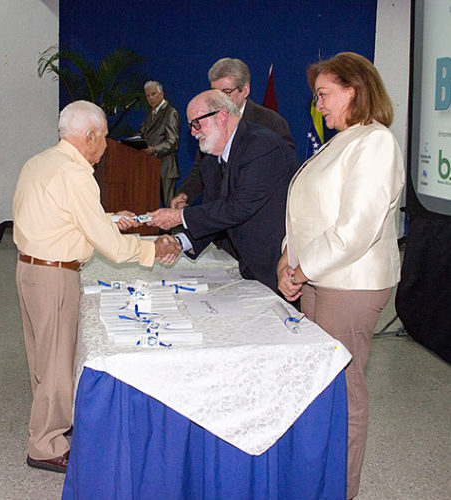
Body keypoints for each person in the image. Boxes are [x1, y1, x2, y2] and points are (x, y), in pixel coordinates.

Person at [13, 100, 180, 473]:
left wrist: (107, 218)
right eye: (103, 138)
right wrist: (151, 249)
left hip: (30, 270)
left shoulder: (40, 162)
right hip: (55, 276)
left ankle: (45, 426)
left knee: (42, 357)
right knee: (56, 363)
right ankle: (45, 444)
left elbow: (59, 217)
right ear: (89, 136)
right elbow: (115, 250)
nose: (105, 146)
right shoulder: (76, 174)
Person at [276, 52, 405, 499]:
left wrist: (301, 267)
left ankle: (341, 490)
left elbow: (356, 229)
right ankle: (317, 478)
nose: (319, 105)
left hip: (350, 282)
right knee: (320, 386)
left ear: (354, 90)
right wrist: (286, 257)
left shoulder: (375, 142)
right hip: (319, 277)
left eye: (324, 94)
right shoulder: (340, 140)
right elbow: (308, 214)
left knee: (343, 392)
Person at [148, 89, 298, 294]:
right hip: (251, 269)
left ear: (222, 117)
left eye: (196, 124)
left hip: (278, 269)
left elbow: (237, 207)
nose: (193, 132)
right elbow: (214, 214)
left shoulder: (262, 146)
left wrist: (177, 216)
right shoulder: (211, 159)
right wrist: (179, 242)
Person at [171, 57, 295, 210]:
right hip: (218, 217)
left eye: (226, 92)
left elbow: (286, 173)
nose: (220, 98)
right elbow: (201, 168)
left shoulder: (270, 122)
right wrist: (185, 194)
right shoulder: (209, 123)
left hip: (258, 214)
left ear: (245, 90)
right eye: (215, 92)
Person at [138, 81, 180, 207]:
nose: (150, 98)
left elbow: (173, 142)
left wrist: (154, 149)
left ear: (162, 93)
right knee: (151, 203)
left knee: (169, 206)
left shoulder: (170, 112)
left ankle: (173, 227)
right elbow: (142, 133)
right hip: (151, 166)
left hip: (166, 167)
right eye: (147, 96)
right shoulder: (151, 114)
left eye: (153, 94)